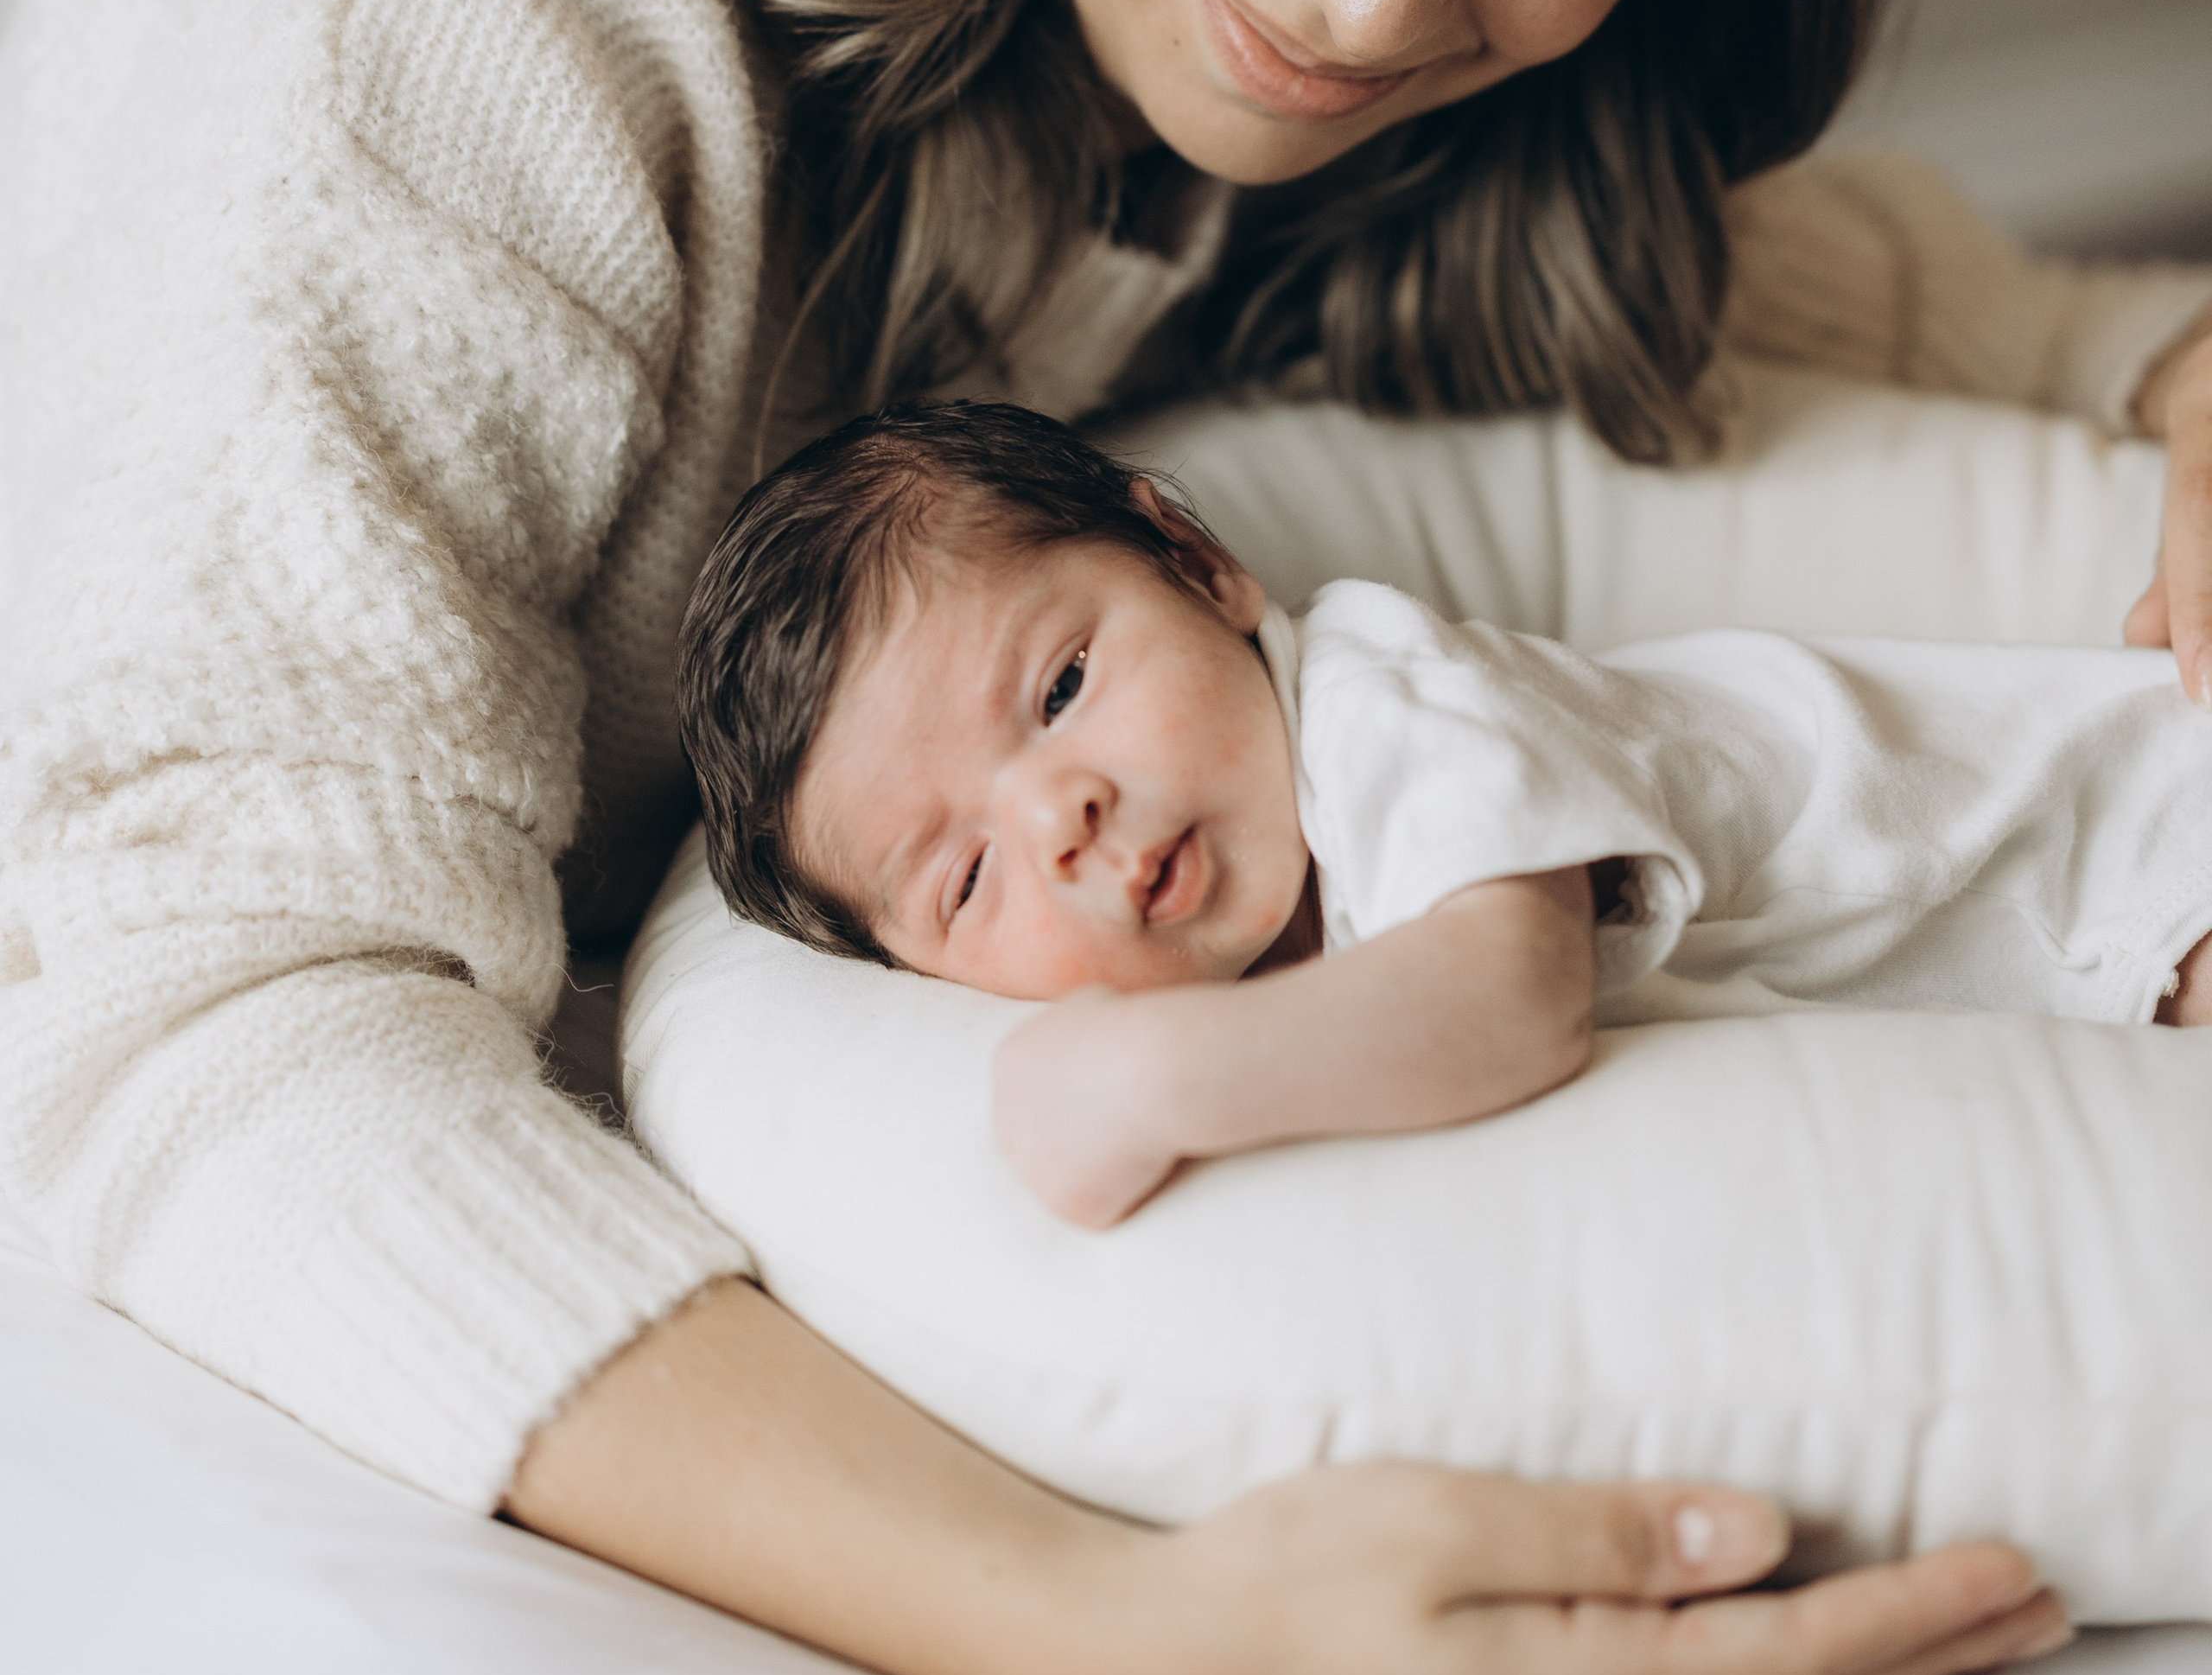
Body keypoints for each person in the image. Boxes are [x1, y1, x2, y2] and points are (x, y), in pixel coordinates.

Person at [23, 0, 2212, 1675]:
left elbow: (1834, 286)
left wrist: (2181, 363)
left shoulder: (1373, 90)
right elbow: (194, 1014)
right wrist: (1095, 1629)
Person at [676, 398, 2212, 1232]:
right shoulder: (1278, 926)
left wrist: (1147, 1075)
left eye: (1066, 681)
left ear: (1200, 568)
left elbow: (1508, 993)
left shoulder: (1384, 703)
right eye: (965, 876)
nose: (1061, 815)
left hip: (2134, 846)